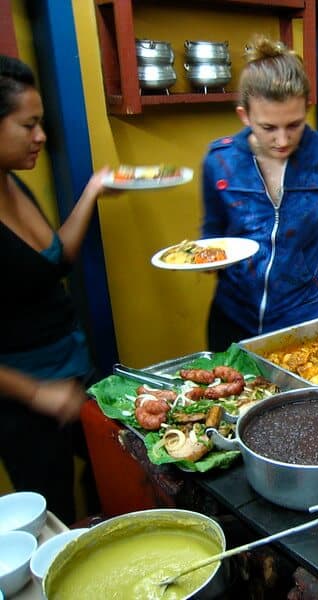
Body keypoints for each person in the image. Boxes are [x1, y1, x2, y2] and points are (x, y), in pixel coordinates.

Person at [202, 35, 318, 351]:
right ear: (245, 115)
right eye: (268, 127)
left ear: (307, 108)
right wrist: (207, 259)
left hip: (307, 322)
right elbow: (212, 237)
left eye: (294, 125)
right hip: (233, 320)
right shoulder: (220, 162)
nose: (282, 139)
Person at [0, 55, 106, 524]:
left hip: (73, 366)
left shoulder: (12, 182)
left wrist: (92, 192)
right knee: (52, 513)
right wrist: (37, 393)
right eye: (29, 125)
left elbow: (54, 258)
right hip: (22, 399)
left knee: (117, 464)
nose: (40, 136)